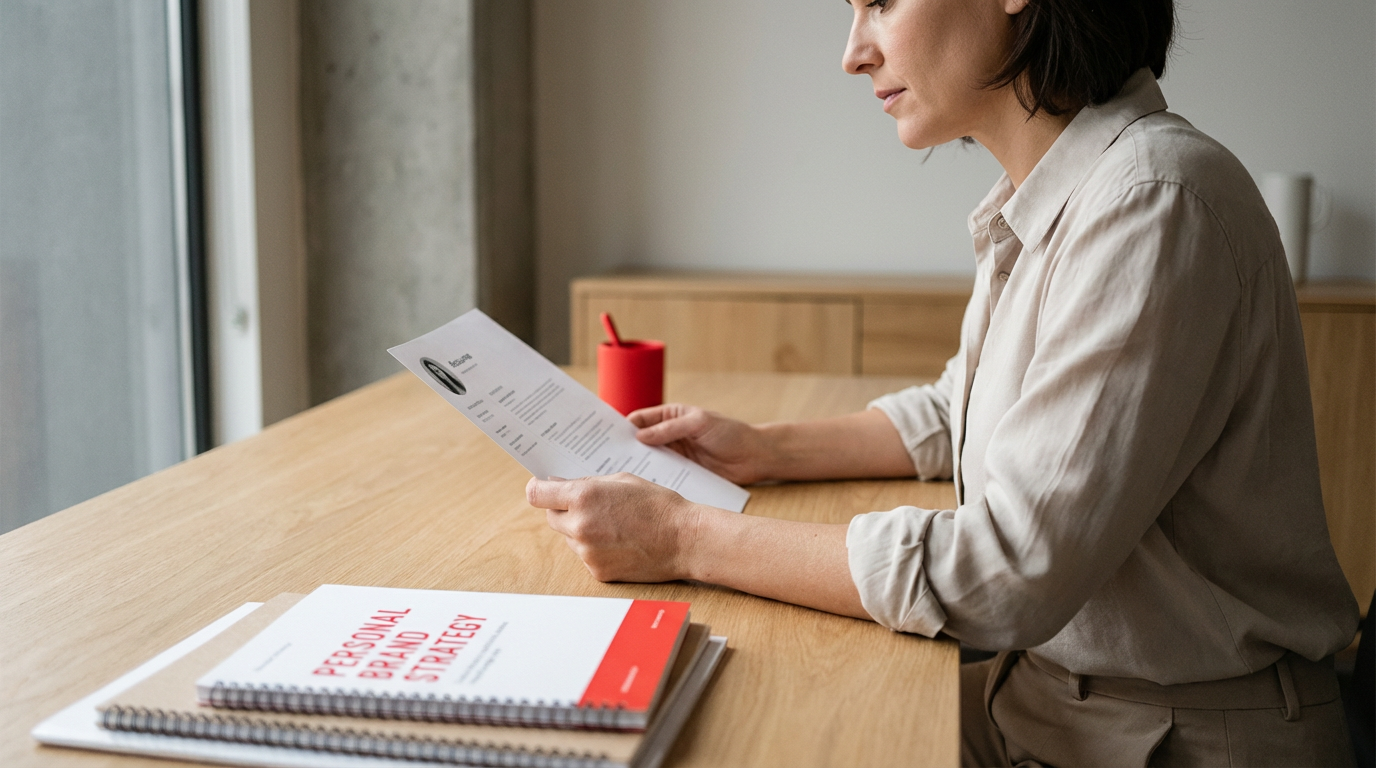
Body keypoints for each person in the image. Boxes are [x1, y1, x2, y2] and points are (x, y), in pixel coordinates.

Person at [526, 0, 1361, 764]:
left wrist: (683, 539)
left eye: (880, 3)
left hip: (1177, 736)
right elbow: (957, 409)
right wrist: (763, 449)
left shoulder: (1152, 202)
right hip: (1046, 699)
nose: (853, 54)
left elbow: (1005, 570)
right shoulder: (1061, 195)